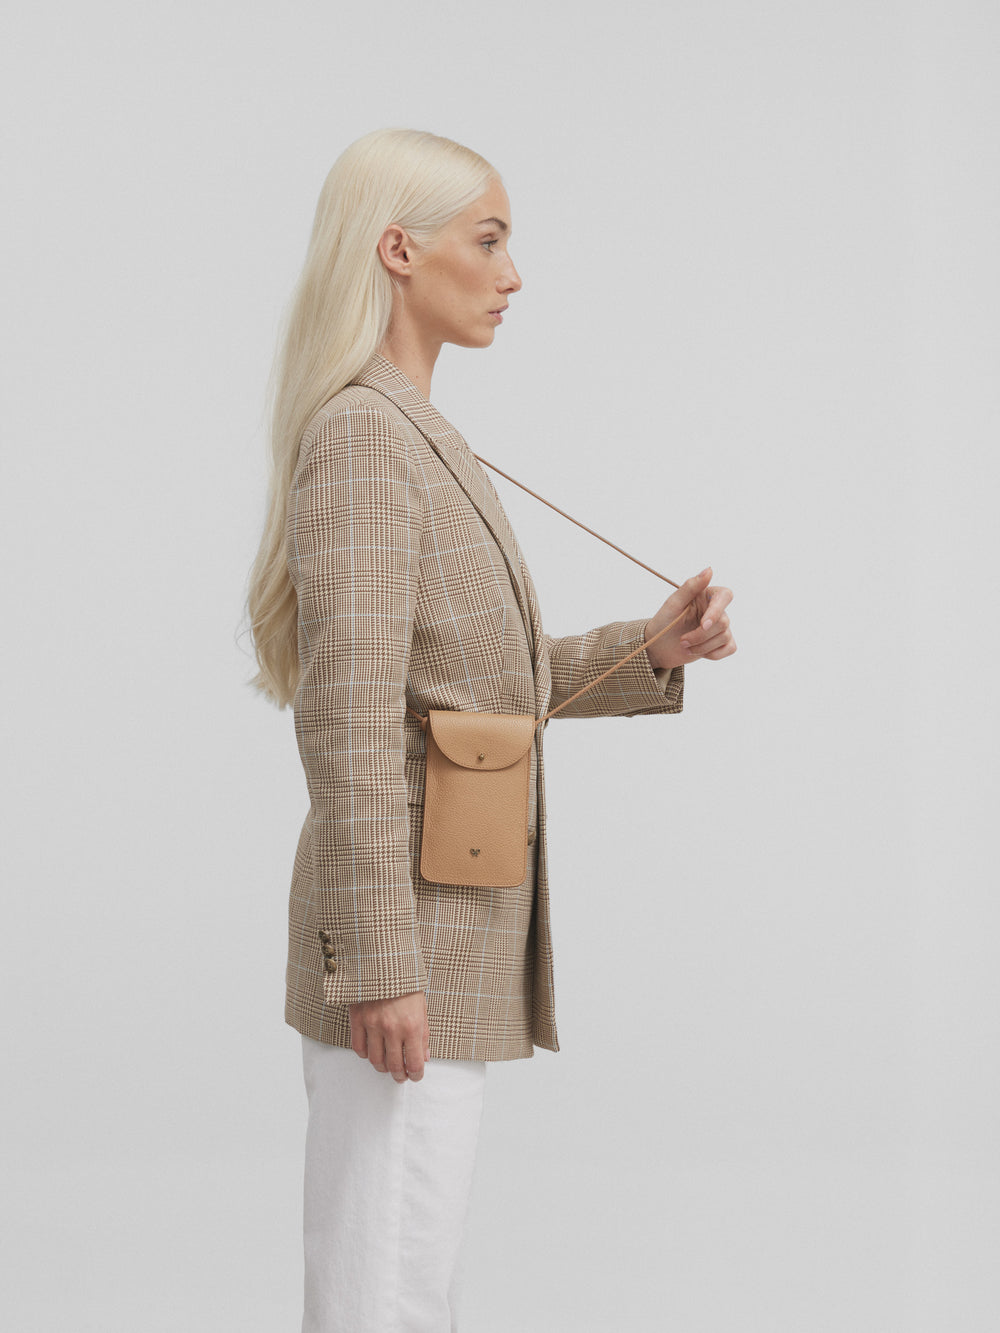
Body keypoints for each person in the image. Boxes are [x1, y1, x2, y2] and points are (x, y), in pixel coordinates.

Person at [246, 127, 736, 1333]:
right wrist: (380, 962)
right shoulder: (365, 435)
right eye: (489, 239)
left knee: (407, 1275)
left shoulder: (411, 430)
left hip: (442, 930)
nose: (513, 274)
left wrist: (647, 651)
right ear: (398, 251)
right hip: (407, 940)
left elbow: (465, 687)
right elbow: (350, 719)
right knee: (383, 1286)